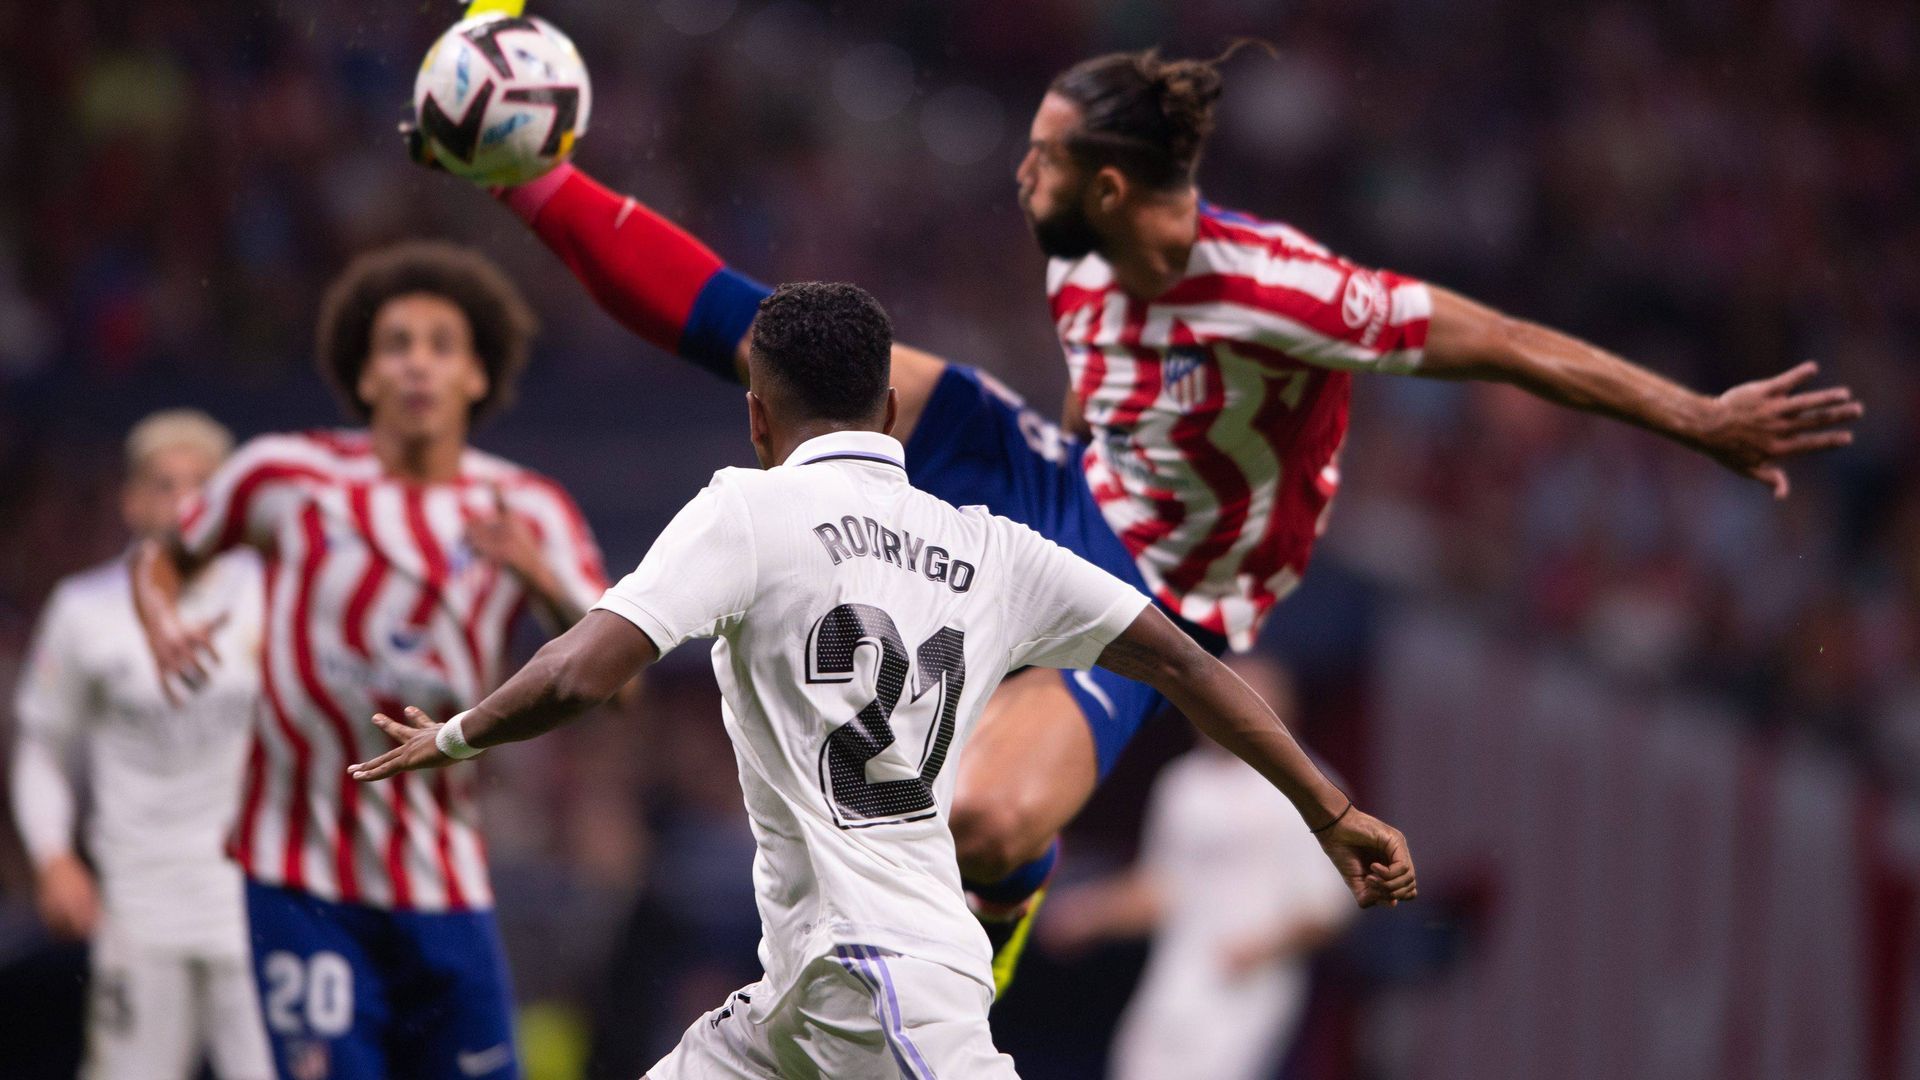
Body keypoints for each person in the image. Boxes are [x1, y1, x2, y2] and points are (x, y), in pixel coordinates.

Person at [414, 43, 1858, 987]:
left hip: (1173, 587)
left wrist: (1699, 418)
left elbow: (1505, 343)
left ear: (1107, 186)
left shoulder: (1282, 292)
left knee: (978, 814)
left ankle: (1008, 887)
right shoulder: (1090, 246)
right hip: (1057, 476)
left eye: (1039, 160)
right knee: (773, 338)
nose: (1016, 175)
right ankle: (532, 177)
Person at [347, 282, 1417, 1079]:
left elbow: (583, 669)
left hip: (886, 975)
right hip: (805, 987)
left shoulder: (746, 512)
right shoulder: (994, 550)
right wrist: (1333, 811)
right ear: (891, 410)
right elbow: (1187, 662)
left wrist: (453, 738)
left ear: (757, 417)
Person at [131, 241, 609, 1080]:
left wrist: (538, 576)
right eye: (397, 345)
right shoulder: (285, 475)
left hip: (445, 876)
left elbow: (619, 685)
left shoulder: (528, 508)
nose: (418, 364)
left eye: (440, 345)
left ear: (475, 375)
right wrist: (164, 619)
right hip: (300, 875)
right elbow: (162, 555)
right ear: (364, 375)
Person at [11, 410, 274, 1080]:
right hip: (137, 903)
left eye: (200, 486)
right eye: (163, 485)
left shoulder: (275, 600)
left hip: (256, 899)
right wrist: (53, 858)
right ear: (130, 500)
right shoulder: (85, 609)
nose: (182, 503)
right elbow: (41, 744)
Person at [1040, 656, 1356, 1080]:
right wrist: (1089, 913)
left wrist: (1260, 948)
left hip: (1247, 989)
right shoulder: (1183, 785)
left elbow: (1332, 906)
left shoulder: (1312, 791)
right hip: (1174, 980)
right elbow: (1160, 890)